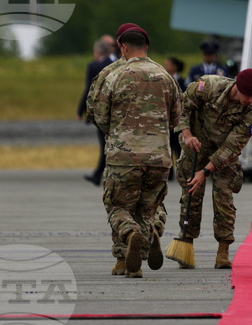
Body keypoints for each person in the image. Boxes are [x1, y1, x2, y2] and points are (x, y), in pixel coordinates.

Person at [89, 25, 181, 278]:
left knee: (117, 205)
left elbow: (99, 115)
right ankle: (135, 259)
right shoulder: (166, 76)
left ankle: (131, 235)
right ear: (147, 46)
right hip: (159, 158)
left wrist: (118, 133)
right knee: (149, 208)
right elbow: (176, 117)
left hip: (124, 156)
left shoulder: (114, 75)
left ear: (123, 47)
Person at [174, 68, 252, 270]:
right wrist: (187, 135)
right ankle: (186, 245)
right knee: (191, 195)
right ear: (238, 87)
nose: (251, 100)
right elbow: (182, 107)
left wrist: (205, 171)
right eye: (249, 95)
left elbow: (231, 148)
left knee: (224, 199)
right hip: (195, 148)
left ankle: (223, 251)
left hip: (224, 158)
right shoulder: (208, 87)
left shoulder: (250, 114)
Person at [77, 38, 113, 186]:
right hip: (116, 110)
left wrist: (82, 110)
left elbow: (89, 90)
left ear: (98, 52)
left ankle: (99, 175)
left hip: (101, 111)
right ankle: (99, 175)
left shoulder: (94, 66)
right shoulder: (116, 64)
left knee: (105, 144)